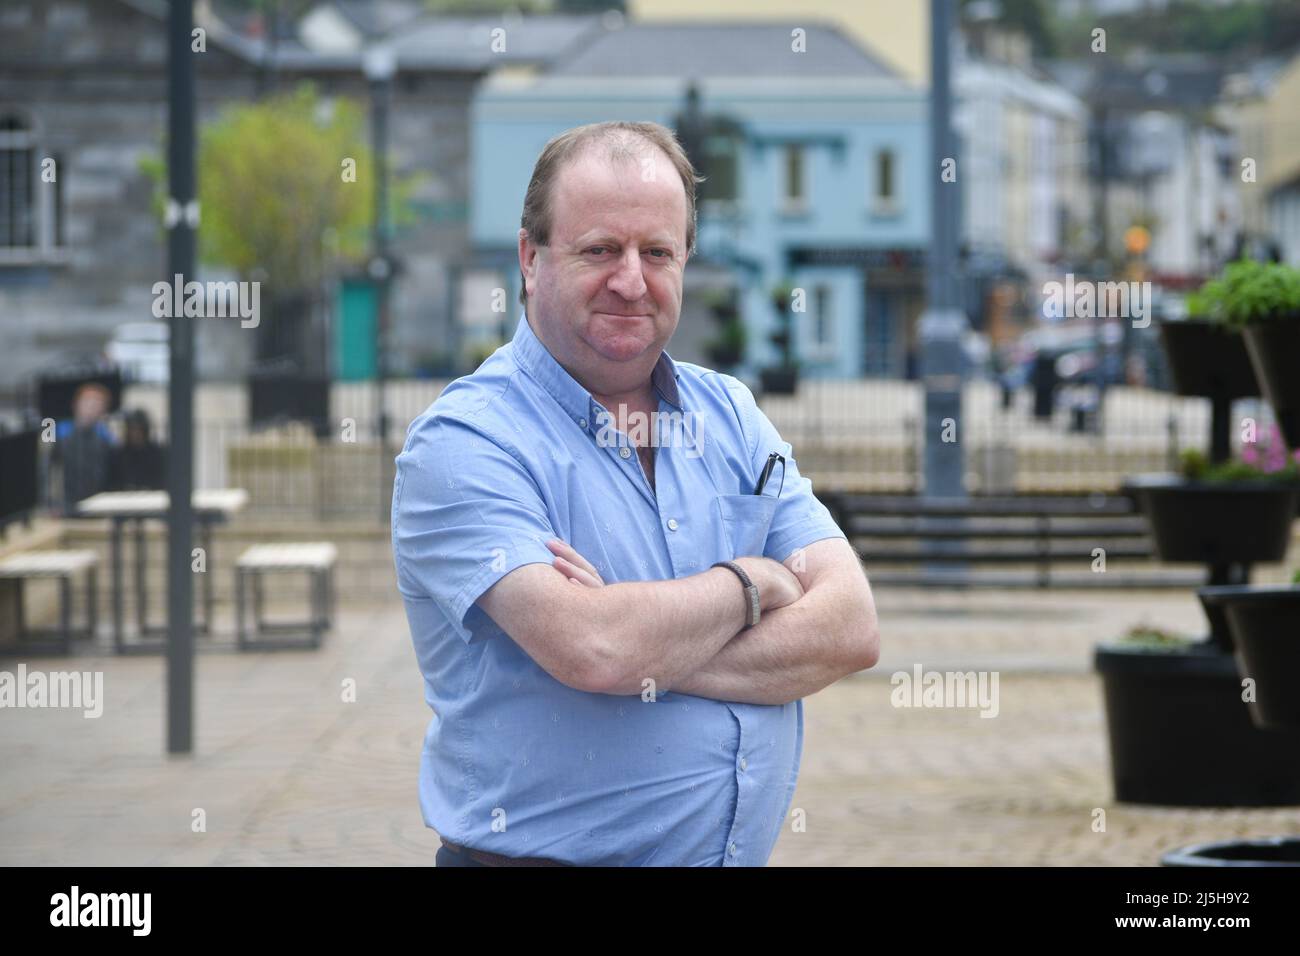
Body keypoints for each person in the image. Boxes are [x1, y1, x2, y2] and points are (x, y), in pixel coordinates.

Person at [392, 121, 880, 867]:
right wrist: (753, 584)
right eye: (599, 250)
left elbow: (850, 629)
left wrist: (640, 641)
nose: (631, 279)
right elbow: (595, 647)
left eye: (657, 252)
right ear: (530, 257)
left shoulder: (732, 418)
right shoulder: (465, 442)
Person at [54, 382, 118, 515]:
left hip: (98, 505)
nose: (92, 407)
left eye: (98, 404)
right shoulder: (58, 431)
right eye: (87, 402)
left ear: (103, 410)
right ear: (75, 404)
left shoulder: (107, 438)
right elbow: (47, 470)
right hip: (65, 505)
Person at [115, 409, 166, 490]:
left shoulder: (157, 453)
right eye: (132, 430)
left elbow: (162, 481)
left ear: (145, 430)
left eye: (139, 430)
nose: (135, 434)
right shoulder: (118, 454)